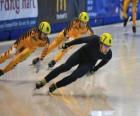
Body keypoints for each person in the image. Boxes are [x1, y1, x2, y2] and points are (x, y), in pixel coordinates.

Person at [35, 32, 112, 93]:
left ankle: (56, 86)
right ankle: (44, 81)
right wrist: (67, 44)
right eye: (106, 46)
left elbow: (104, 62)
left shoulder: (108, 54)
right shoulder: (94, 39)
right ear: (100, 43)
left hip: (89, 62)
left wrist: (95, 69)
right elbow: (80, 40)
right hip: (81, 54)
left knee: (74, 76)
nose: (107, 49)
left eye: (109, 47)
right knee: (65, 67)